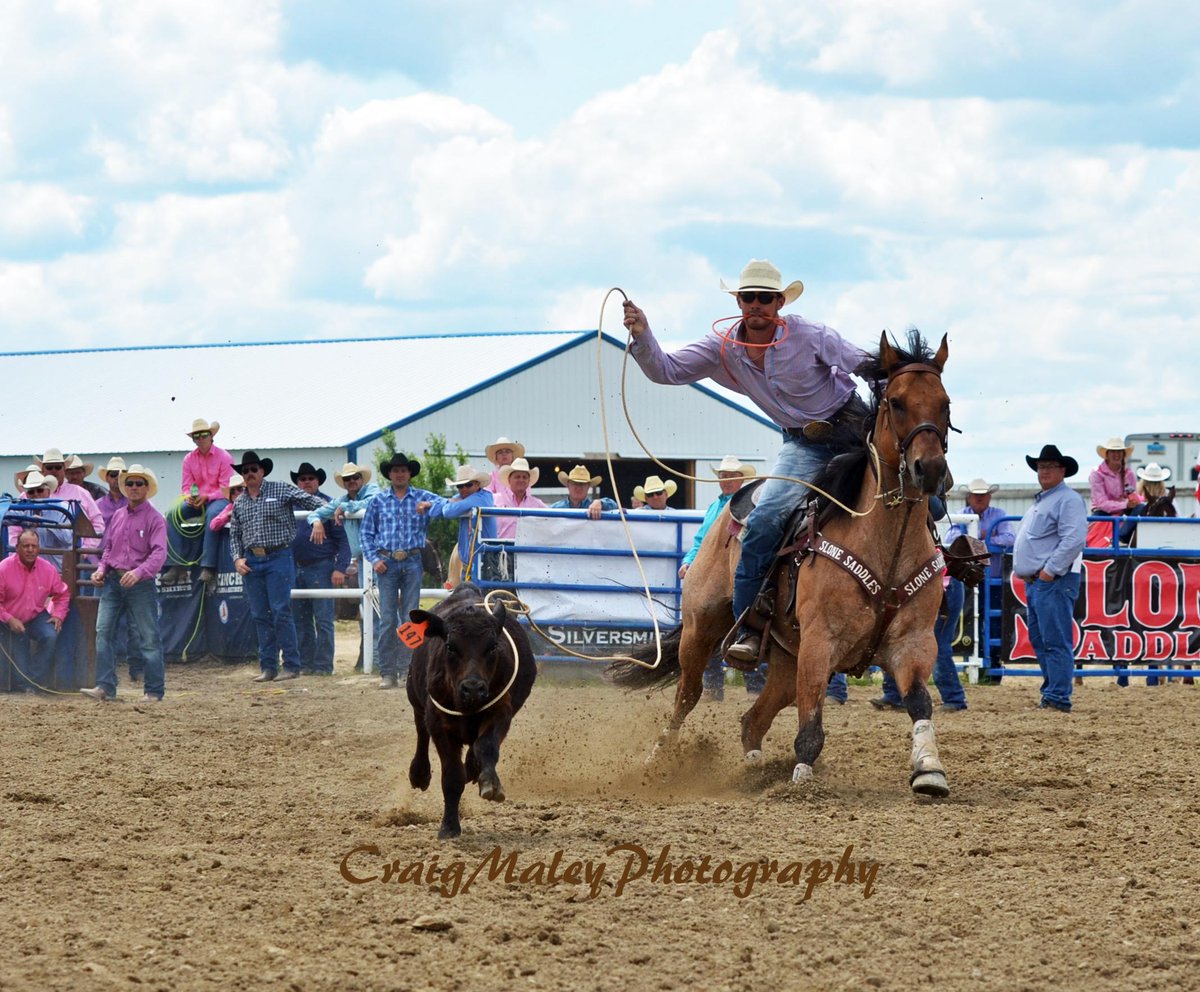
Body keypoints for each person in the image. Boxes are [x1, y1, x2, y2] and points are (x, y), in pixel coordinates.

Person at [623, 258, 868, 669]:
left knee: (922, 493)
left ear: (779, 303)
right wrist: (644, 334)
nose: (757, 304)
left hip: (855, 425)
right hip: (802, 444)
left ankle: (926, 589)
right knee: (766, 518)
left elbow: (865, 365)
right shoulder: (722, 348)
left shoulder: (810, 335)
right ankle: (749, 625)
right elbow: (665, 370)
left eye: (765, 298)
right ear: (738, 301)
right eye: (750, 297)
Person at [228, 451, 325, 683]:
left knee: (281, 610)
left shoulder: (280, 489)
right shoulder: (240, 502)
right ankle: (268, 667)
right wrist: (237, 558)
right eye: (245, 471)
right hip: (252, 560)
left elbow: (315, 501)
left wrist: (318, 518)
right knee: (260, 614)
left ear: (262, 471)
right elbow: (235, 535)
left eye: (253, 469)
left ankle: (291, 665)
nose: (249, 474)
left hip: (278, 555)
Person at [81, 465, 169, 702]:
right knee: (103, 632)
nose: (133, 488)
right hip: (113, 580)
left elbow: (159, 554)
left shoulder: (156, 519)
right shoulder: (119, 515)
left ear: (147, 488)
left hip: (140, 583)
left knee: (148, 636)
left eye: (139, 484)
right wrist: (101, 568)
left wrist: (139, 572)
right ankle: (105, 686)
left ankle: (153, 690)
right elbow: (109, 547)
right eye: (129, 483)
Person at [1013, 444, 1088, 713]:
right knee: (1043, 639)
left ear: (1062, 470)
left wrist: (1049, 570)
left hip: (1052, 580)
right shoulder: (1048, 500)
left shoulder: (1066, 499)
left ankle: (1057, 696)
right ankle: (1052, 693)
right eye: (1041, 467)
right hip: (1039, 581)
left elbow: (1074, 539)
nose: (1044, 471)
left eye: (1050, 467)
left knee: (1053, 640)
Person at [679, 456, 760, 701]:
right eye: (722, 476)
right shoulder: (716, 507)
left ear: (741, 479)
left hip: (733, 570)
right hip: (716, 573)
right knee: (710, 626)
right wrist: (689, 560)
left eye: (731, 476)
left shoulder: (749, 505)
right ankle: (714, 687)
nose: (726, 480)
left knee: (743, 622)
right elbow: (702, 540)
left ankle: (753, 687)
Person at [360, 453, 440, 689]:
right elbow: (367, 533)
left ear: (409, 473)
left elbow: (448, 504)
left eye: (403, 470)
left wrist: (431, 506)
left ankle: (409, 670)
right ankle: (388, 671)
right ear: (390, 474)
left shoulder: (422, 497)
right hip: (387, 562)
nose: (400, 474)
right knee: (387, 619)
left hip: (413, 560)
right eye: (396, 470)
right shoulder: (378, 500)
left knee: (411, 618)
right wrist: (374, 559)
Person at [307, 462, 381, 671]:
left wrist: (345, 508)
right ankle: (374, 660)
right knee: (368, 611)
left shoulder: (371, 490)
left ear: (361, 478)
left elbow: (372, 502)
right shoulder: (341, 501)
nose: (352, 481)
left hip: (378, 557)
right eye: (348, 479)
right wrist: (317, 522)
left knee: (381, 610)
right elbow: (317, 513)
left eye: (355, 477)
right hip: (363, 561)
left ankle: (381, 660)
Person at [290, 463, 349, 675]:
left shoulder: (328, 504)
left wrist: (340, 567)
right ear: (297, 482)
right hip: (294, 567)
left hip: (321, 567)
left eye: (310, 478)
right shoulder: (291, 505)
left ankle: (323, 665)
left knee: (323, 619)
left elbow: (343, 540)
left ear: (318, 481)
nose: (306, 481)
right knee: (301, 619)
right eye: (302, 478)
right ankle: (306, 663)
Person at [164, 418, 234, 587]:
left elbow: (226, 488)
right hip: (198, 500)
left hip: (218, 499)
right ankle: (176, 564)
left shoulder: (224, 457)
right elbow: (186, 486)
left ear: (211, 436)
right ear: (194, 439)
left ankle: (208, 566)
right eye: (197, 435)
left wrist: (207, 497)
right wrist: (189, 496)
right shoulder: (189, 459)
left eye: (204, 434)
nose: (201, 438)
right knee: (172, 514)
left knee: (212, 515)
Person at [0, 529, 69, 693]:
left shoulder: (48, 569)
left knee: (50, 635)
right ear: (17, 548)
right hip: (7, 620)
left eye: (34, 546)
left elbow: (63, 594)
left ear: (39, 548)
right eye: (26, 546)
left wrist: (58, 614)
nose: (30, 550)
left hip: (36, 616)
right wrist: (9, 619)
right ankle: (25, 683)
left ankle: (33, 682)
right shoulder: (3, 569)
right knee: (18, 667)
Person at [424, 465, 496, 583]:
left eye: (468, 485)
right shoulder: (463, 498)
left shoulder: (484, 498)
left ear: (477, 485)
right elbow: (436, 511)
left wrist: (449, 503)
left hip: (486, 564)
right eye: (460, 486)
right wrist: (450, 502)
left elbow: (447, 511)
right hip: (468, 565)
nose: (464, 489)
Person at [24, 448, 105, 541]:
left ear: (64, 469)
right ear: (43, 470)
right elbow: (14, 529)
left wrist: (84, 550)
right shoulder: (26, 495)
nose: (53, 471)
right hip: (33, 551)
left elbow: (98, 524)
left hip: (73, 551)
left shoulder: (80, 492)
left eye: (58, 467)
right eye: (49, 467)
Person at [492, 458, 547, 540]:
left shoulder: (537, 504)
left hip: (526, 550)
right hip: (501, 549)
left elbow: (553, 519)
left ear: (528, 481)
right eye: (517, 477)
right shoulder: (495, 500)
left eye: (524, 477)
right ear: (509, 479)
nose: (521, 480)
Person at [551, 465, 619, 519]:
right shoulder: (555, 508)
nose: (578, 487)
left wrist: (600, 502)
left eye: (582, 484)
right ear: (568, 485)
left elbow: (614, 506)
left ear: (588, 486)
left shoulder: (595, 505)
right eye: (575, 483)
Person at [95, 456, 128, 531]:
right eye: (113, 474)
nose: (117, 478)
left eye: (121, 475)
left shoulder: (135, 503)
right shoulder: (97, 506)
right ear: (107, 478)